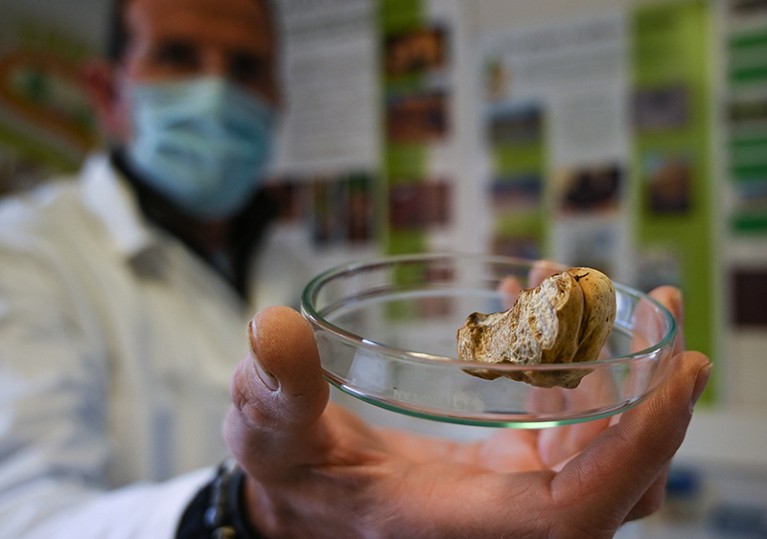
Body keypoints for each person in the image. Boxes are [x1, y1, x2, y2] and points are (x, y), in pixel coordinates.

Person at [0, 0, 711, 537]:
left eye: (244, 68)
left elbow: (398, 435)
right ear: (106, 92)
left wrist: (520, 462)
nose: (215, 92)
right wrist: (246, 510)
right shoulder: (25, 253)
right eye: (178, 56)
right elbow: (24, 514)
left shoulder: (299, 269)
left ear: (276, 95)